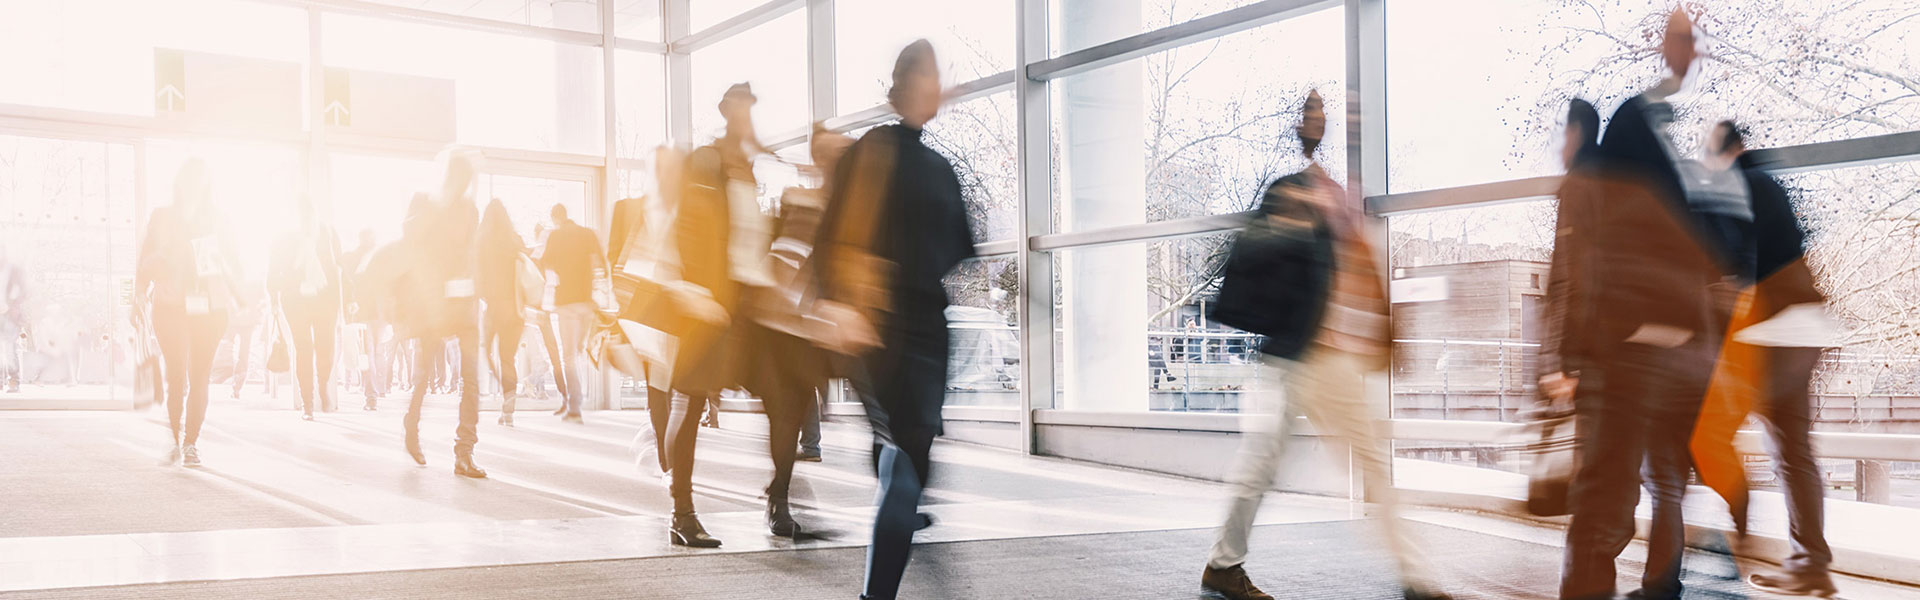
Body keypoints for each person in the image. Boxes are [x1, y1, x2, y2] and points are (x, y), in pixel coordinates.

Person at [1196, 90, 1443, 600]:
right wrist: (1292, 224)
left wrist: (1383, 335)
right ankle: (1416, 577)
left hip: (1310, 356)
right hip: (1312, 357)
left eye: (1328, 116)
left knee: (1262, 463)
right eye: (1316, 115)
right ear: (1301, 128)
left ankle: (1223, 565)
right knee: (1367, 463)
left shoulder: (1340, 196)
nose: (1323, 124)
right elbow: (1252, 258)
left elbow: (1359, 280)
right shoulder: (1294, 192)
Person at [1549, 13, 1728, 596]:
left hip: (1626, 353)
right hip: (1685, 356)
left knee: (1601, 503)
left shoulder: (1592, 182)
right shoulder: (1677, 191)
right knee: (1668, 482)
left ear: (1580, 136)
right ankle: (1661, 587)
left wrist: (1568, 361)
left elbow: (1576, 280)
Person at [812, 40, 976, 600]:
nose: (939, 85)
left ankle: (895, 501)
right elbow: (833, 236)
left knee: (913, 454)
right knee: (904, 457)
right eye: (929, 75)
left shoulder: (936, 165)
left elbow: (954, 249)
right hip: (880, 327)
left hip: (926, 327)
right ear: (906, 84)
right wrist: (842, 304)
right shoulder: (875, 151)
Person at [1683, 122, 1838, 597]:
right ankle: (1811, 563)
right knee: (1793, 450)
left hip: (1766, 332)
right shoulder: (1771, 185)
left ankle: (1731, 542)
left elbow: (1733, 267)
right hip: (1804, 325)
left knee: (1708, 436)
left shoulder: (1734, 186)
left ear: (1724, 153)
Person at [737, 122, 855, 537]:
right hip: (779, 329)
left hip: (810, 332)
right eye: (828, 154)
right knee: (784, 416)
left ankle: (778, 489)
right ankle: (779, 500)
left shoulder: (846, 208)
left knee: (796, 412)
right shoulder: (803, 201)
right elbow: (781, 260)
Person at [136, 159, 241, 468]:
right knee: (177, 375)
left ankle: (191, 442)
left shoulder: (218, 219)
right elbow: (143, 260)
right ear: (179, 183)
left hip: (208, 307)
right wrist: (137, 296)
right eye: (189, 179)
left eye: (200, 180)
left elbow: (235, 261)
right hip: (169, 305)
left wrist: (239, 294)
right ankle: (175, 438)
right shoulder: (161, 217)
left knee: (199, 377)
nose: (194, 185)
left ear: (207, 185)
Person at [393, 153, 488, 479]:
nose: (463, 184)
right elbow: (409, 246)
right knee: (423, 377)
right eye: (459, 177)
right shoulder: (424, 201)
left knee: (471, 378)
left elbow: (473, 252)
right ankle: (411, 425)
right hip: (432, 303)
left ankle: (465, 452)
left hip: (463, 302)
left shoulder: (469, 209)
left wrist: (476, 289)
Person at [270, 196, 344, 421]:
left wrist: (346, 299)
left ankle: (322, 386)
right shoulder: (284, 237)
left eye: (308, 213)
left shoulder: (327, 232)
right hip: (295, 299)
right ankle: (307, 403)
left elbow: (339, 265)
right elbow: (273, 268)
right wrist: (273, 297)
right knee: (303, 348)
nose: (305, 218)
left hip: (325, 299)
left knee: (325, 348)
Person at [539, 203, 605, 424]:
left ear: (555, 218)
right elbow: (600, 265)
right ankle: (580, 398)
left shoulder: (555, 236)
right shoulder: (588, 234)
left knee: (568, 356)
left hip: (566, 302)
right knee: (579, 351)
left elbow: (545, 264)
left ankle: (575, 407)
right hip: (586, 302)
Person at [476, 199, 529, 427]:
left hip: (494, 307)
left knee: (486, 352)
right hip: (516, 309)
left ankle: (505, 394)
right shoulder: (515, 241)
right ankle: (508, 405)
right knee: (508, 358)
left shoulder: (481, 242)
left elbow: (476, 277)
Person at [341, 229, 390, 410]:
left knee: (367, 353)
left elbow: (347, 279)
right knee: (378, 352)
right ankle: (377, 390)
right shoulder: (381, 257)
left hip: (362, 312)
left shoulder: (352, 258)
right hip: (380, 312)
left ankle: (371, 395)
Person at [0, 244, 28, 393]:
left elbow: (24, 290)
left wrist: (12, 305)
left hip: (9, 315)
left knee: (9, 348)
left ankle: (13, 381)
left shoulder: (14, 270)